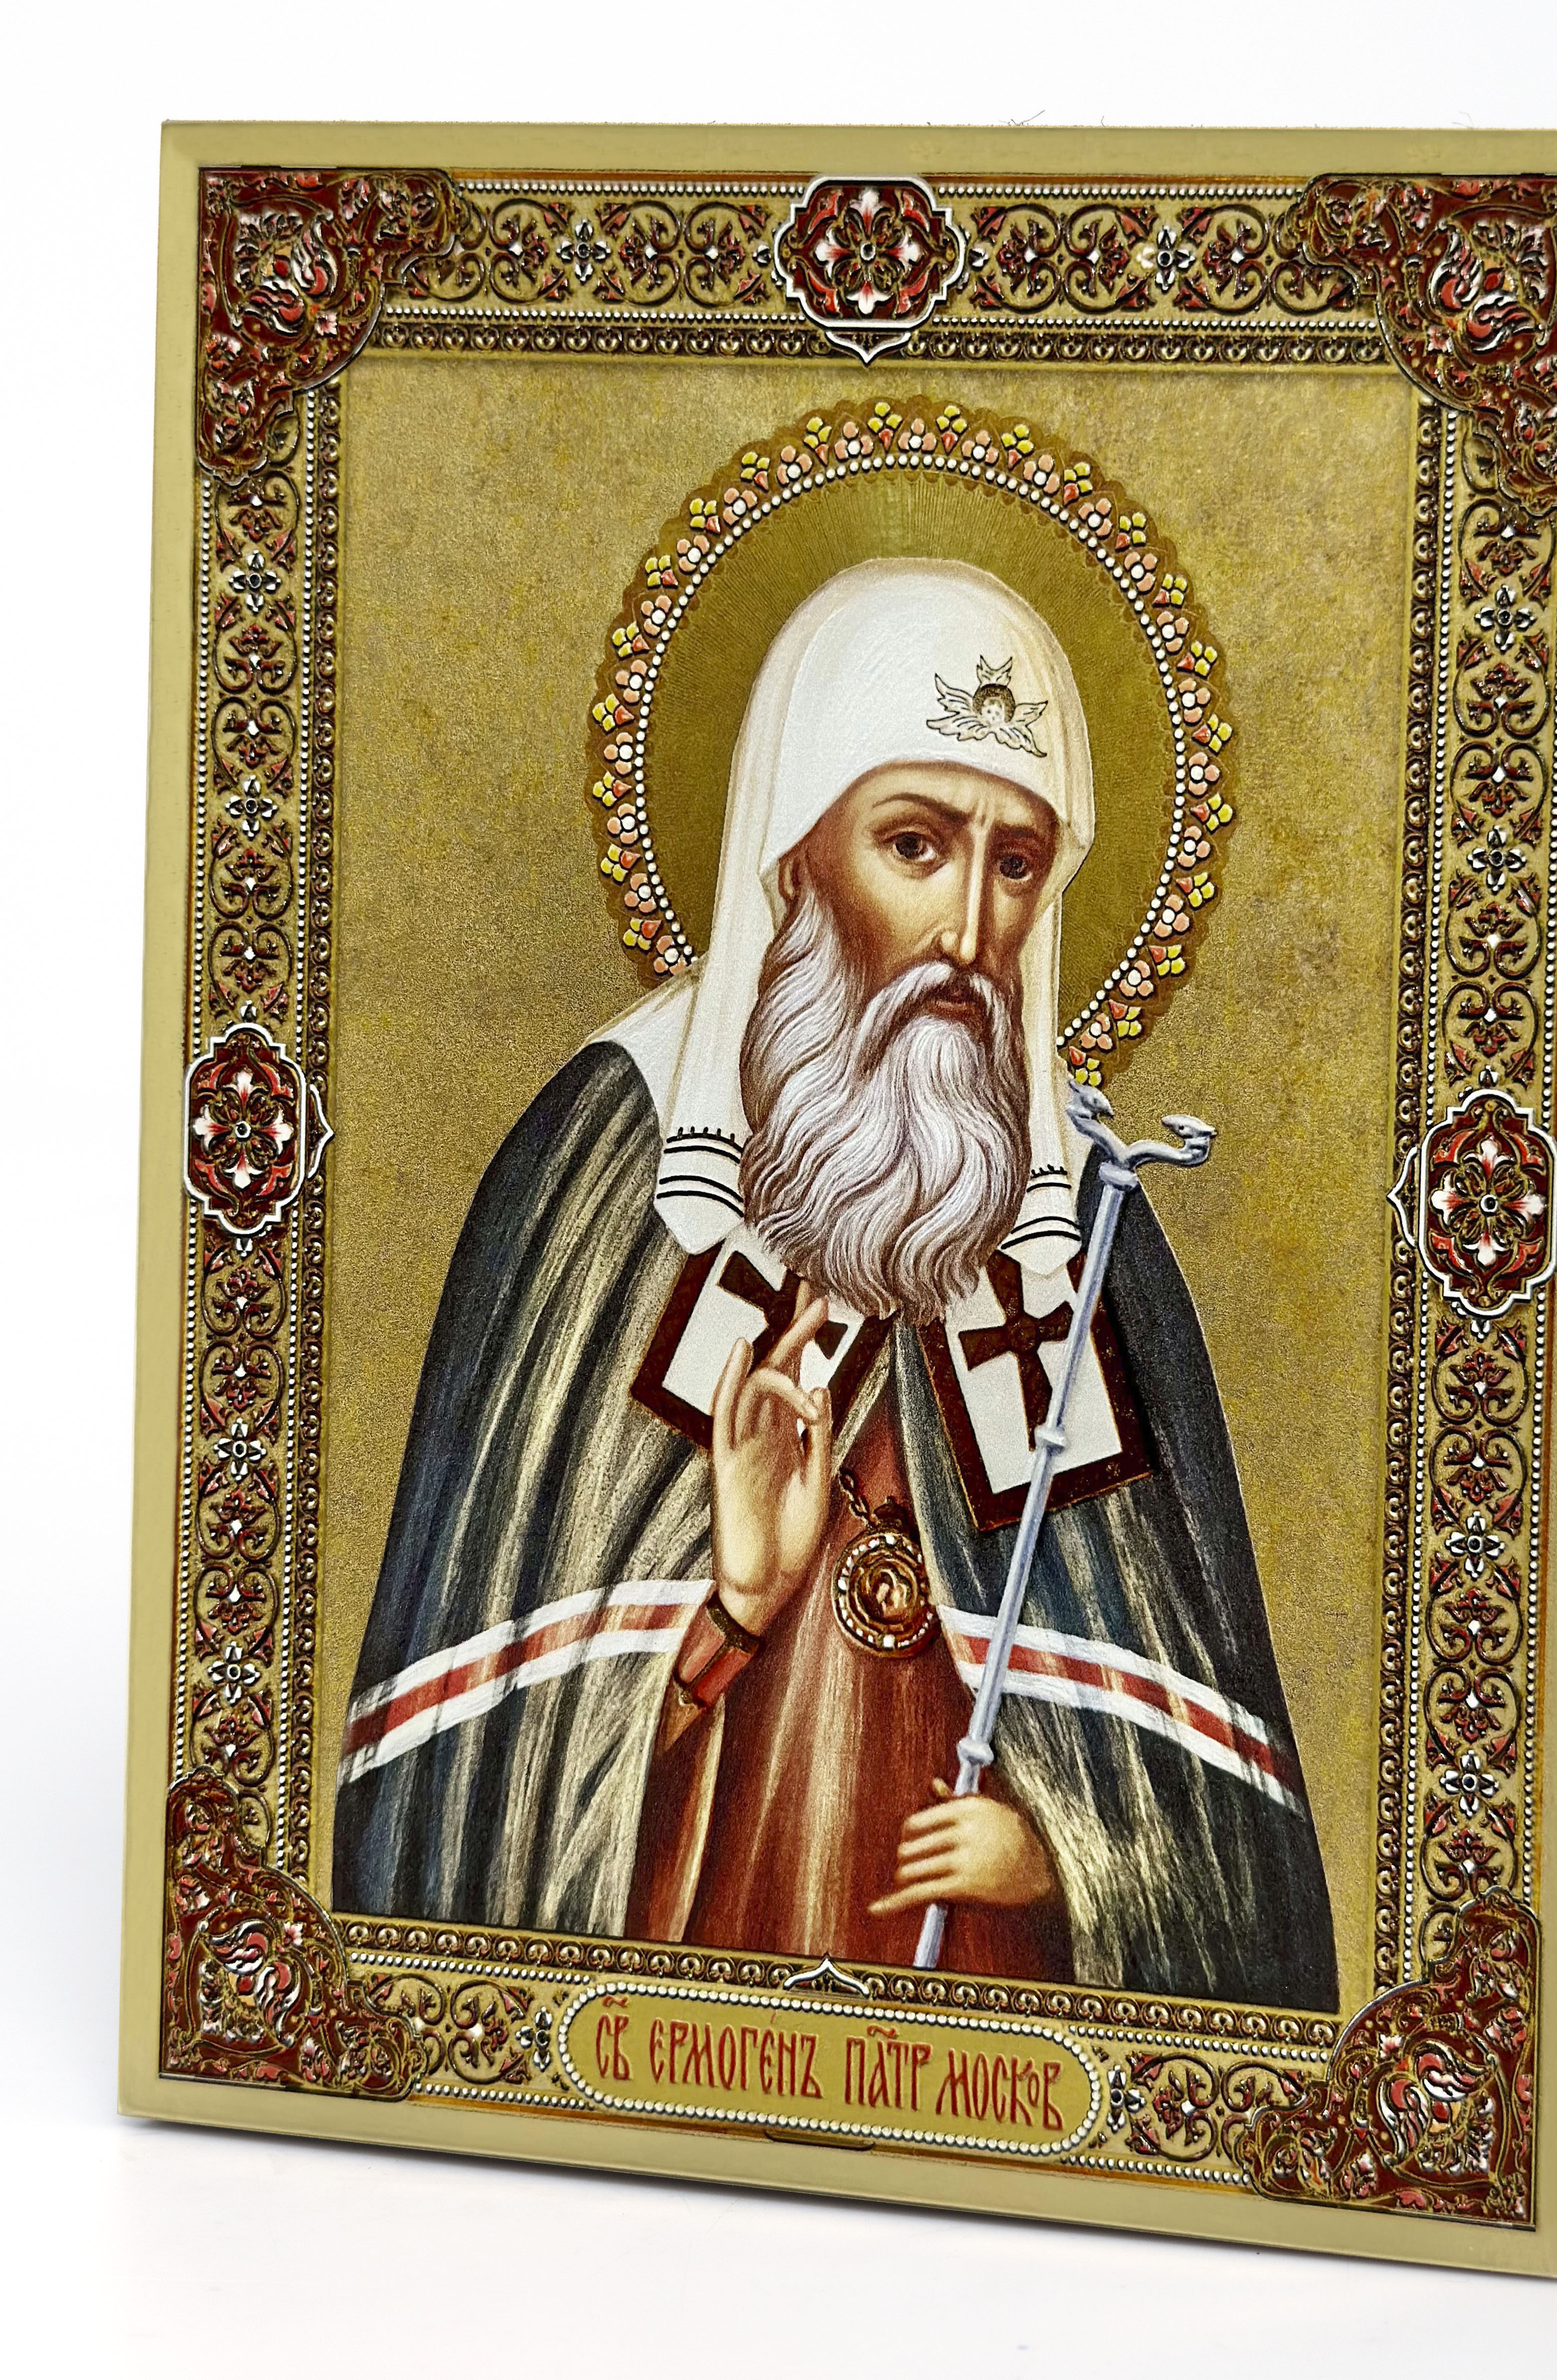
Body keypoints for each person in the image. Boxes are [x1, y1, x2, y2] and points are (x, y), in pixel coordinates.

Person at [333, 558, 1337, 2009]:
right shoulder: (613, 1162)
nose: (968, 933)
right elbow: (470, 1785)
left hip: (996, 2046)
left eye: (1015, 864)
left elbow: (1224, 1825)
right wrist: (735, 1608)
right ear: (797, 853)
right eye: (915, 845)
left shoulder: (1080, 1226)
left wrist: (1069, 1854)